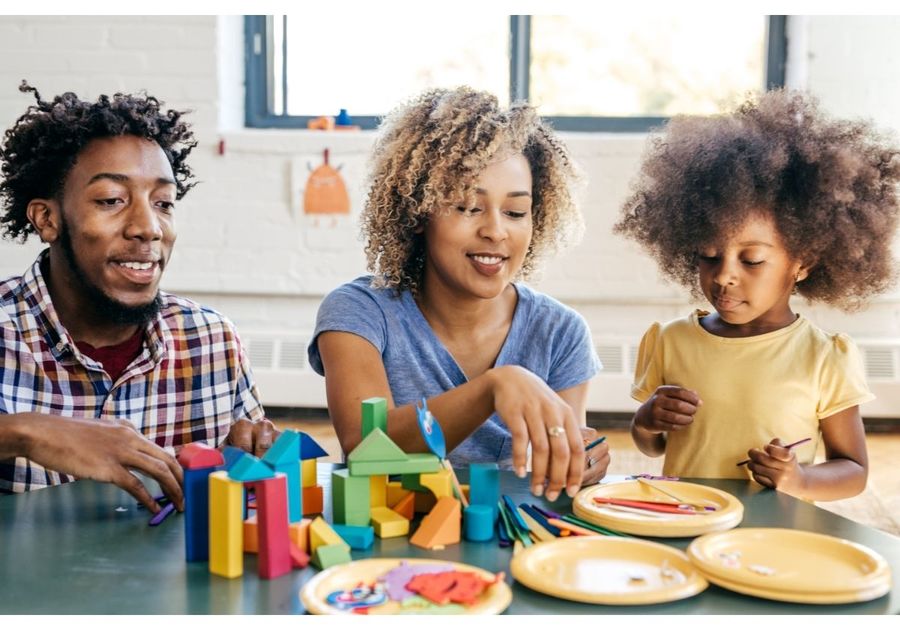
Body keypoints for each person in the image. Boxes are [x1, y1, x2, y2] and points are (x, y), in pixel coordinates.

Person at [308, 87, 610, 503]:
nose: (496, 230)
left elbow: (556, 471)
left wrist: (578, 458)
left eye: (516, 212)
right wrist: (494, 387)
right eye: (469, 207)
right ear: (417, 211)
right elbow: (365, 448)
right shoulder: (359, 312)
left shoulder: (561, 332)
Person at [0, 83, 276, 512]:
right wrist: (25, 433)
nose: (148, 227)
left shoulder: (212, 339)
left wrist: (251, 457)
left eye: (164, 203)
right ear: (47, 219)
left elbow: (250, 480)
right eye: (112, 200)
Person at [614, 90, 900, 501]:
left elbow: (852, 470)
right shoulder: (670, 340)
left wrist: (799, 479)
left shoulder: (824, 357)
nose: (724, 275)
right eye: (709, 255)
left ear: (803, 261)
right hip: (688, 518)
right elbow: (654, 446)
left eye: (751, 260)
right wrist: (645, 422)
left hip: (774, 534)